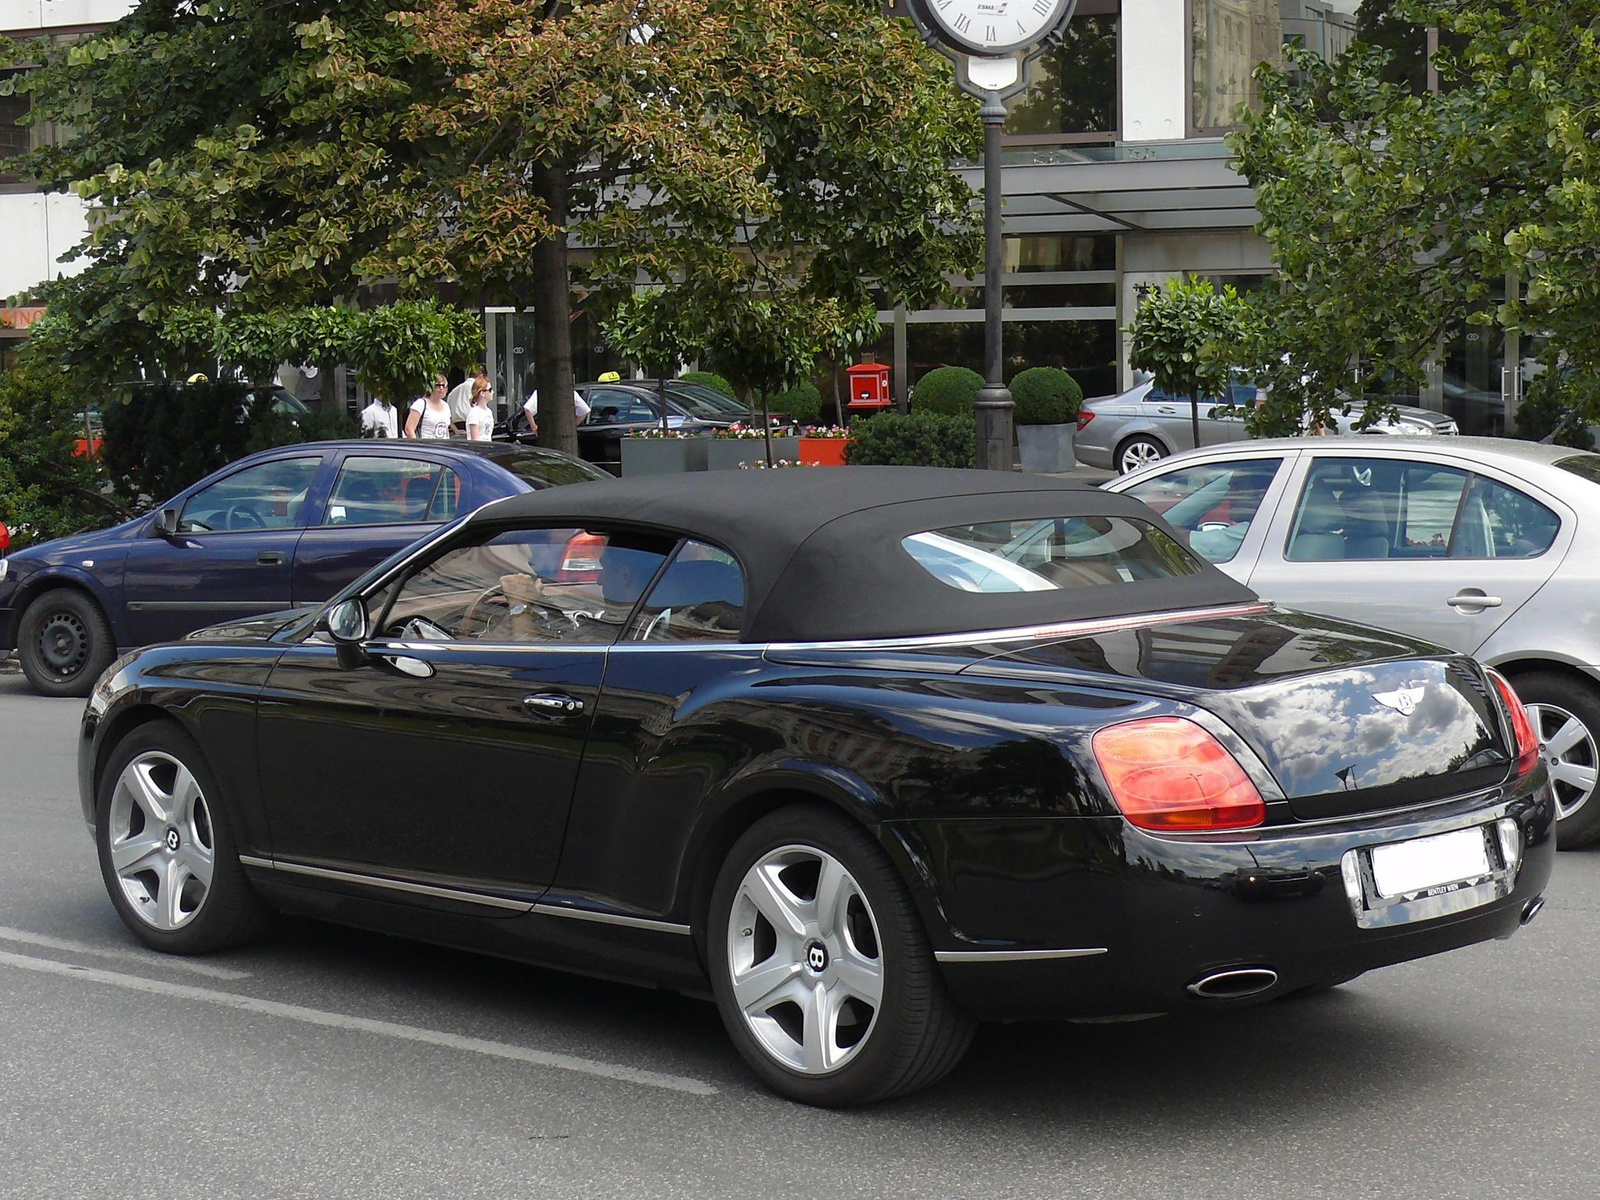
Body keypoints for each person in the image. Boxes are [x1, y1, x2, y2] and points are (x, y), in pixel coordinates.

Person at [522, 388, 591, 438]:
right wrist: (572, 426)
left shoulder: (541, 392)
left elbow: (527, 409)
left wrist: (534, 428)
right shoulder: (571, 392)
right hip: (565, 433)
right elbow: (585, 411)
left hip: (547, 432)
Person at [445, 365, 486, 433]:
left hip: (455, 429)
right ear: (481, 376)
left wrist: (455, 430)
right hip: (473, 426)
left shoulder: (453, 391)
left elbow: (447, 415)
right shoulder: (477, 390)